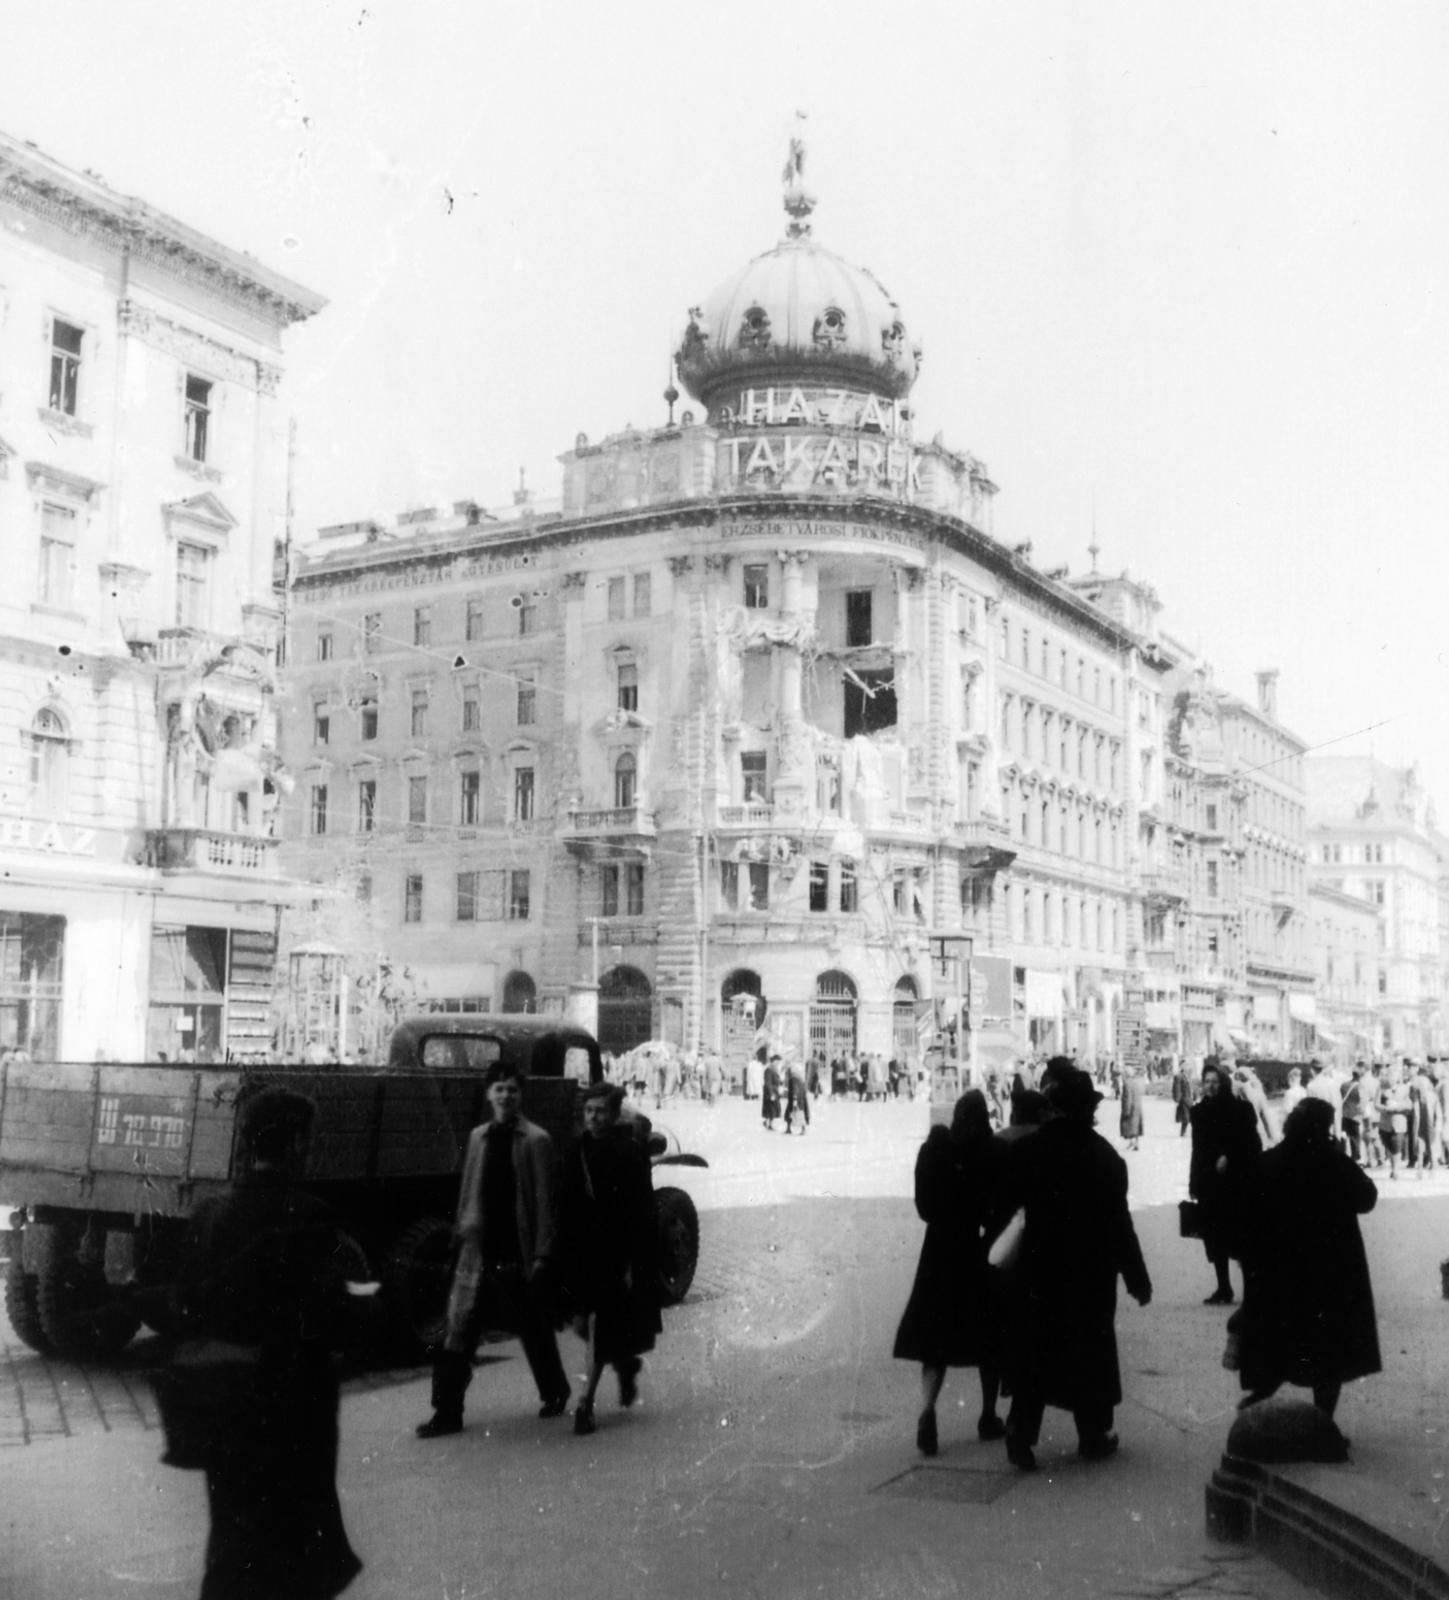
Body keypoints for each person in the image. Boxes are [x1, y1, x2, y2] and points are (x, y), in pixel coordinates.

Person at [169, 1088, 364, 1600]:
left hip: (224, 1405)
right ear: (298, 1143)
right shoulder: (314, 1216)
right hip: (295, 1409)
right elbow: (336, 1315)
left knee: (232, 1540)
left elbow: (184, 1308)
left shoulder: (209, 1216)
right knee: (298, 1548)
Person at [996, 1067, 1152, 1470]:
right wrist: (1137, 1278)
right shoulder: (1107, 1159)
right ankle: (1093, 1434)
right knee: (1090, 1353)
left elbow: (1005, 1211)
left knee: (1036, 1351)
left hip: (1038, 1269)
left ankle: (1020, 1433)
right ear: (1089, 1111)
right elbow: (1121, 1227)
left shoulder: (1029, 1150)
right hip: (1090, 1274)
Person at [417, 1063, 570, 1438]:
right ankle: (447, 1413)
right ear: (489, 1094)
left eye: (512, 1090)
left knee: (533, 1328)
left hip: (517, 1249)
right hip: (477, 1251)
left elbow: (545, 1204)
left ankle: (555, 1392)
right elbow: (468, 1189)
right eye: (499, 1089)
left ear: (521, 1096)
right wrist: (460, 1235)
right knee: (459, 1330)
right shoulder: (478, 1138)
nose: (506, 1096)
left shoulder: (537, 1140)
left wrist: (542, 1255)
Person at [1234, 1099, 1380, 1421]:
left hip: (1279, 1271)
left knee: (1278, 1337)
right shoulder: (1334, 1162)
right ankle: (1323, 1419)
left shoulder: (1268, 1162)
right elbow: (1367, 1198)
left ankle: (1260, 1401)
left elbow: (1245, 1215)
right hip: (1329, 1272)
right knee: (1328, 1351)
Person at [892, 1090, 1009, 1455]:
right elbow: (1001, 1204)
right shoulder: (993, 1152)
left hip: (939, 1251)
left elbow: (924, 1208)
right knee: (988, 1338)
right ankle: (988, 1415)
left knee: (935, 1340)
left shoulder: (935, 1150)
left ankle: (927, 1409)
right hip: (980, 1251)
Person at [560, 1083, 661, 1436]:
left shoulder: (631, 1151)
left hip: (616, 1250)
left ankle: (585, 1403)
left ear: (615, 1114)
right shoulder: (577, 1149)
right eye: (589, 1111)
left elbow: (643, 1208)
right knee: (584, 1325)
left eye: (601, 1111)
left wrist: (636, 1261)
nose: (594, 1117)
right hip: (584, 1249)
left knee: (599, 1324)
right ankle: (625, 1363)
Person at [1189, 1060, 1262, 1306]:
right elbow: (1197, 1150)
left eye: (1214, 1082)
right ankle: (1224, 1288)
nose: (1210, 1086)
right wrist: (1194, 1182)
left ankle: (1252, 1290)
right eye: (1206, 1081)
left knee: (1242, 1237)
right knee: (1215, 1237)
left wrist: (1230, 1156)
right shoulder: (1198, 1112)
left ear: (1224, 1083)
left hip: (1237, 1181)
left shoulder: (1241, 1109)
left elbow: (1254, 1144)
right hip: (1210, 1182)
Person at [1118, 1069, 1144, 1153]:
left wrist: (1126, 1110)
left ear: (1126, 1075)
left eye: (1123, 1074)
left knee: (1129, 1125)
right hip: (1137, 1107)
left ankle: (1131, 1142)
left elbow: (1127, 1098)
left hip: (1130, 1107)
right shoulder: (1136, 1082)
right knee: (1136, 1126)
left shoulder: (1126, 1083)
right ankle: (1136, 1143)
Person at [784, 1057, 811, 1135]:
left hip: (795, 1099)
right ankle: (790, 1128)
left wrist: (795, 1100)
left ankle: (799, 1129)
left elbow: (795, 1089)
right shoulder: (798, 1077)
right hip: (800, 1099)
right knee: (797, 1114)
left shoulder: (793, 1079)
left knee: (795, 1114)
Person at [1171, 1059, 1195, 1138]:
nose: (1187, 1066)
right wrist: (1177, 1099)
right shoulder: (1179, 1076)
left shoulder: (1188, 1076)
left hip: (1190, 1099)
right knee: (1186, 1117)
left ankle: (1186, 1132)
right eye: (1185, 1065)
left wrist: (1194, 1096)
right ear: (1181, 1066)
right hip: (1184, 1099)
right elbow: (1177, 1088)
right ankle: (1183, 1132)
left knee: (1191, 1117)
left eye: (1187, 1065)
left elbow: (1191, 1087)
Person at [761, 1055, 783, 1131]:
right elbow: (768, 1083)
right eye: (777, 1062)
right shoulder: (769, 1070)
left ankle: (768, 1123)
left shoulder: (774, 1069)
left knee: (772, 1109)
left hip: (774, 1091)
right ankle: (768, 1123)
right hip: (770, 1092)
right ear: (773, 1061)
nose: (778, 1064)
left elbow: (776, 1079)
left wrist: (780, 1082)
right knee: (770, 1109)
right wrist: (771, 1094)